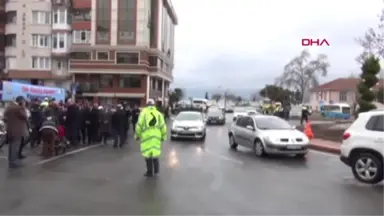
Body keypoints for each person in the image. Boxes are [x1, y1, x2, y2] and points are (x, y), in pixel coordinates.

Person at [135, 99, 167, 177]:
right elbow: (163, 126)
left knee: (148, 155)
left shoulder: (143, 114)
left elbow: (139, 125)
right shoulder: (158, 114)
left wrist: (137, 135)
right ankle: (156, 171)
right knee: (155, 154)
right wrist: (163, 136)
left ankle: (149, 172)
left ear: (146, 105)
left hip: (146, 137)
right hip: (156, 137)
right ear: (154, 105)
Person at [3, 96, 29, 168]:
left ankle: (11, 161)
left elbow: (4, 118)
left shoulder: (8, 108)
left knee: (11, 146)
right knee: (15, 146)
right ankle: (13, 162)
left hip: (10, 130)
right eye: (24, 101)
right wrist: (23, 107)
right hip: (17, 131)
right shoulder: (19, 109)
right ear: (21, 101)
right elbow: (25, 117)